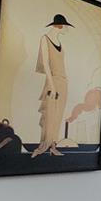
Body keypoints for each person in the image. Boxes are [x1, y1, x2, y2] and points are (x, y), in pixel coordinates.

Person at [31, 14, 72, 158]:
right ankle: (43, 146)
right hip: (53, 81)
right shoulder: (45, 39)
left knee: (58, 115)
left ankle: (53, 146)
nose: (66, 29)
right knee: (49, 114)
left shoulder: (59, 41)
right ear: (59, 25)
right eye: (65, 26)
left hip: (63, 82)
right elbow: (46, 64)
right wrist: (52, 86)